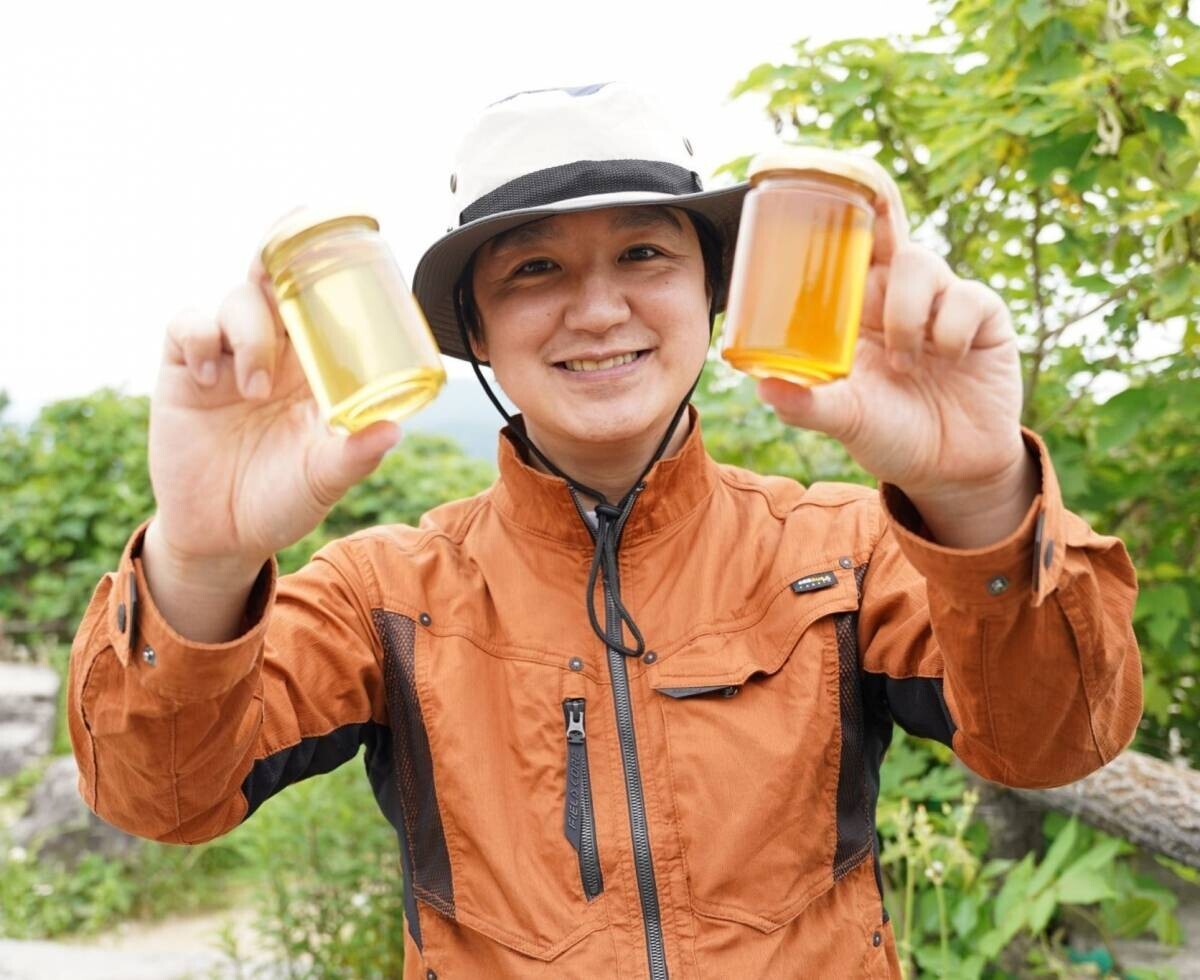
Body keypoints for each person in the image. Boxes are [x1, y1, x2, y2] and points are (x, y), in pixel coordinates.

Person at [66, 81, 1142, 979]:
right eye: (534, 267)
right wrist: (203, 555)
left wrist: (979, 490)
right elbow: (163, 794)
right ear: (476, 333)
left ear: (714, 295)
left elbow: (1055, 740)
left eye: (644, 255)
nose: (598, 308)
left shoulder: (844, 551)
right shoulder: (383, 590)